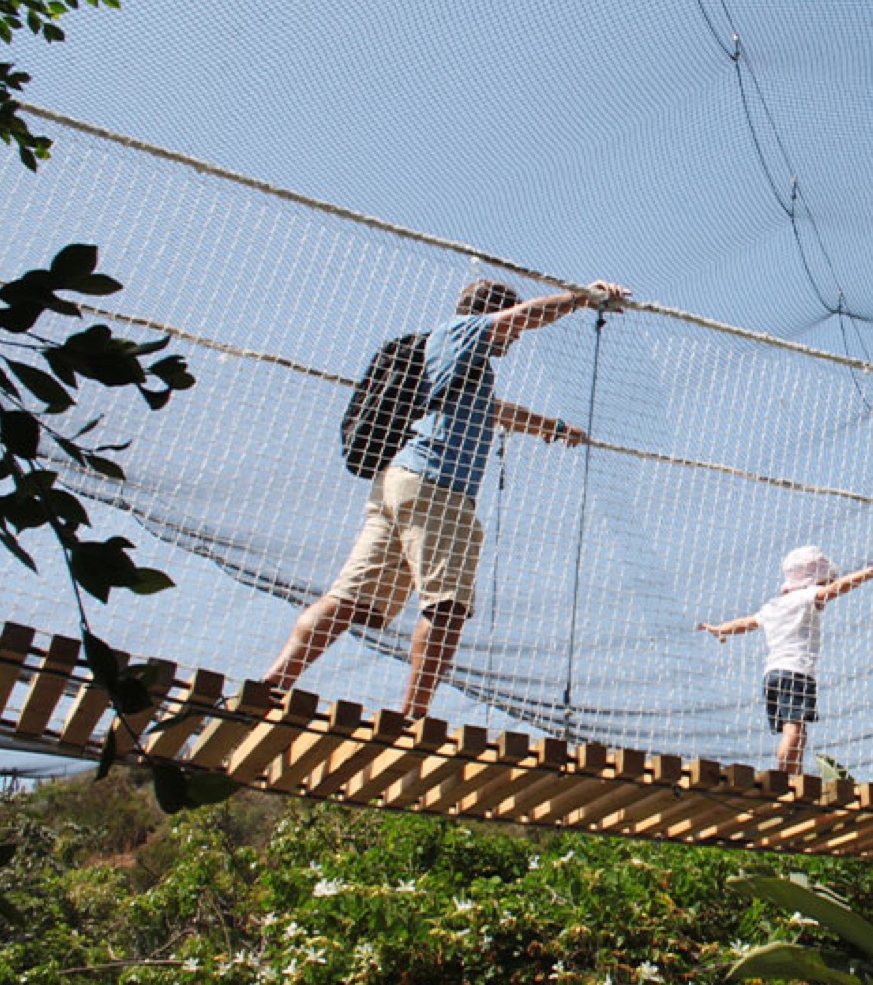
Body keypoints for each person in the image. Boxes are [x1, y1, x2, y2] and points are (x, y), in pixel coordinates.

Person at [264, 276, 632, 718]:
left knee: (349, 599)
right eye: (509, 328)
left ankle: (274, 682)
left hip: (401, 482)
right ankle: (414, 716)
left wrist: (551, 428)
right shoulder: (463, 332)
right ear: (490, 314)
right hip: (439, 486)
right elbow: (524, 316)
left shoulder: (456, 358)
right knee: (448, 607)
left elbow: (493, 412)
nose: (514, 338)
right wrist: (581, 298)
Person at [698, 545, 873, 774]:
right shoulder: (806, 597)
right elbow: (838, 589)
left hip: (771, 675)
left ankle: (791, 772)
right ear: (814, 581)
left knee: (790, 728)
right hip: (796, 672)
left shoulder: (773, 606)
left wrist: (722, 629)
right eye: (825, 581)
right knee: (796, 729)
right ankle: (787, 771)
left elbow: (746, 623)